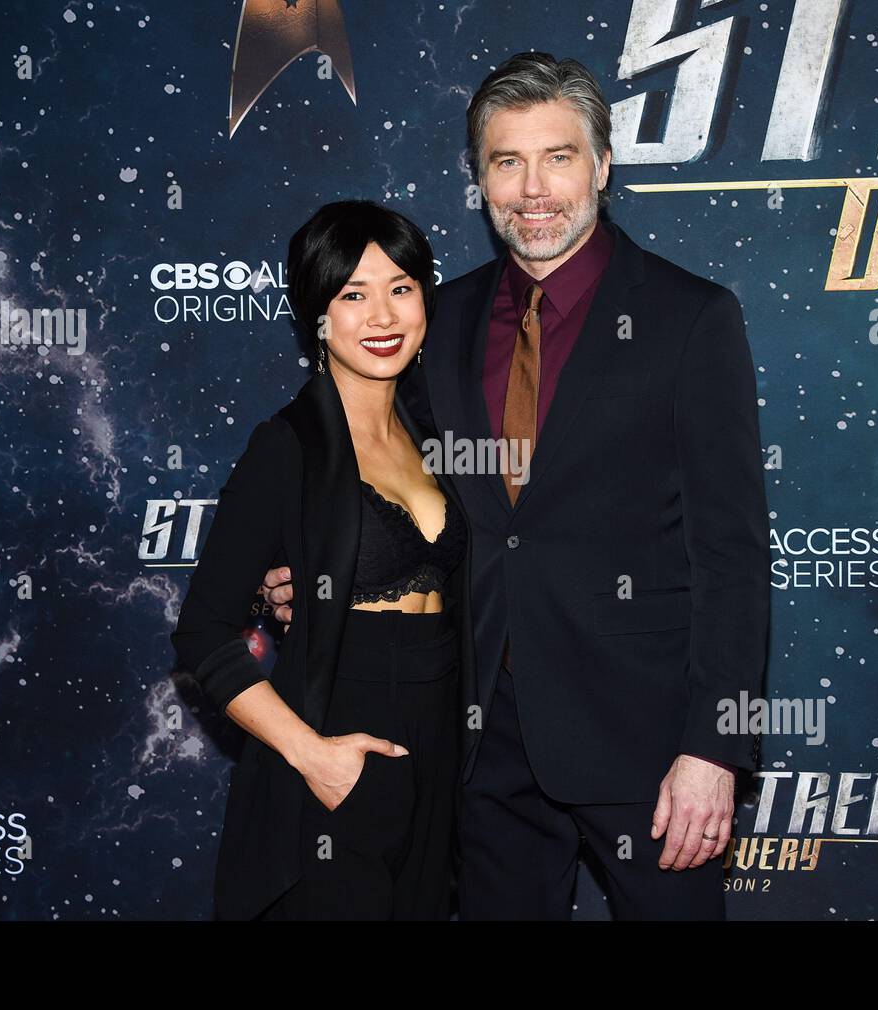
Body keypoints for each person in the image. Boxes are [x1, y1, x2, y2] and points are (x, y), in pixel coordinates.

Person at [262, 52, 770, 920]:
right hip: (478, 739)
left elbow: (731, 551)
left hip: (646, 744)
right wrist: (312, 567)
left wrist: (715, 749)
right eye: (508, 161)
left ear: (603, 167)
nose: (534, 189)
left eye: (559, 157)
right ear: (480, 179)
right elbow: (389, 477)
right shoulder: (438, 316)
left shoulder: (692, 318)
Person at [170, 200, 472, 920]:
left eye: (401, 288)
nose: (382, 316)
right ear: (318, 315)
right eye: (353, 294)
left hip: (442, 748)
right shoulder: (287, 447)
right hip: (338, 747)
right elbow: (204, 634)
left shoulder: (442, 433)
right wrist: (316, 757)